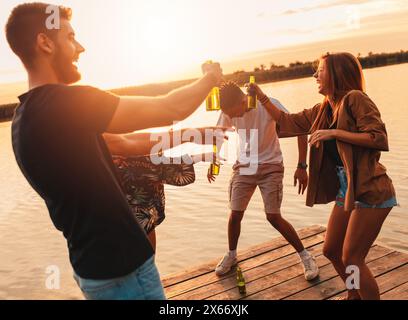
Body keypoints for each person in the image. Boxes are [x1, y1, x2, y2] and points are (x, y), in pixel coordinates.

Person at [6, 3, 222, 300]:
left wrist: (194, 134)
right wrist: (210, 78)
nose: (80, 47)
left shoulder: (26, 119)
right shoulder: (62, 104)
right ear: (44, 42)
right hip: (123, 273)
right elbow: (170, 106)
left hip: (95, 268)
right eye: (70, 37)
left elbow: (126, 143)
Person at [250, 52, 398, 300]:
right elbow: (287, 121)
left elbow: (378, 138)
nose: (315, 75)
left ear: (337, 74)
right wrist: (261, 96)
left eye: (320, 70)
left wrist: (335, 134)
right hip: (348, 189)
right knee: (331, 250)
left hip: (371, 189)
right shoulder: (324, 109)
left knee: (352, 257)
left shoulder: (355, 99)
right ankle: (354, 294)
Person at [208, 81, 320, 281]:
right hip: (245, 165)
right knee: (235, 214)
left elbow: (300, 129)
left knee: (273, 217)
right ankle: (232, 255)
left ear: (244, 100)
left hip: (271, 165)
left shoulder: (268, 104)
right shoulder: (228, 110)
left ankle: (305, 256)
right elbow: (219, 135)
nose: (233, 118)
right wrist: (213, 160)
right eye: (230, 115)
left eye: (236, 113)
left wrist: (302, 166)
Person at [104, 127, 229, 251]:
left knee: (147, 235)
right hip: (122, 220)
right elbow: (149, 165)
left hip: (140, 216)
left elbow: (147, 156)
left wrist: (188, 137)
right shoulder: (102, 142)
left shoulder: (106, 137)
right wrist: (193, 147)